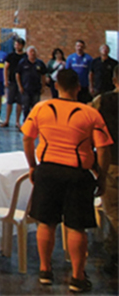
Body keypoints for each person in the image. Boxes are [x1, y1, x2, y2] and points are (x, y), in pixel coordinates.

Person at [22, 69, 112, 292]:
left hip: (48, 171)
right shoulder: (89, 113)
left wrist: (33, 165)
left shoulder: (41, 108)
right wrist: (101, 176)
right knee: (76, 227)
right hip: (77, 174)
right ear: (78, 87)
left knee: (46, 222)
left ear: (55, 86)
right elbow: (103, 149)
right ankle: (77, 277)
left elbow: (27, 137)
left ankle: (45, 271)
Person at [89, 65, 118, 275]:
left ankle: (114, 255)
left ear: (114, 79)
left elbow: (86, 123)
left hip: (113, 163)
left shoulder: (103, 100)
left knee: (113, 212)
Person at [16, 46, 48, 122]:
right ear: (27, 53)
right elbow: (17, 74)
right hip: (26, 89)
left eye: (34, 52)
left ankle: (34, 122)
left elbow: (43, 75)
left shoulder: (40, 63)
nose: (32, 53)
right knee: (26, 107)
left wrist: (43, 86)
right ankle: (26, 123)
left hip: (36, 89)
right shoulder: (22, 62)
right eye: (31, 52)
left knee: (35, 107)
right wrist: (20, 86)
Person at [2, 37, 26, 128]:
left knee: (20, 102)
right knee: (9, 101)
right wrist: (5, 80)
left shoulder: (25, 56)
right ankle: (7, 120)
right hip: (11, 81)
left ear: (22, 46)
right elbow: (6, 68)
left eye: (19, 44)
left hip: (22, 82)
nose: (17, 46)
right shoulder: (10, 56)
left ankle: (17, 121)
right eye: (15, 44)